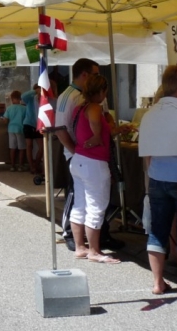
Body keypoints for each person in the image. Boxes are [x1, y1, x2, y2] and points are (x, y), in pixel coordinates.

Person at [56, 58, 124, 252]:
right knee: (81, 197)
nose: (99, 78)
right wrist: (76, 150)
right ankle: (71, 234)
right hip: (81, 155)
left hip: (87, 154)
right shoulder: (69, 96)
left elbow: (105, 117)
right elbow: (61, 129)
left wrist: (111, 128)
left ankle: (100, 235)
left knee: (92, 200)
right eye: (95, 74)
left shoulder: (91, 99)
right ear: (85, 75)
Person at [141, 65, 177, 295]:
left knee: (157, 230)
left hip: (156, 177)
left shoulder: (149, 114)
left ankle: (157, 282)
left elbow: (146, 156)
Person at [68, 74, 121, 264]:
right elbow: (95, 130)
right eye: (105, 91)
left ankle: (80, 247)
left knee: (80, 205)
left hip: (79, 160)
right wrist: (97, 137)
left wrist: (116, 130)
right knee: (96, 206)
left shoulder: (78, 107)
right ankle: (94, 251)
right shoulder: (94, 108)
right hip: (94, 163)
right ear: (101, 91)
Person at [21, 84, 43, 174]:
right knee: (29, 145)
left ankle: (36, 164)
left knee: (42, 147)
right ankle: (31, 166)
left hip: (39, 125)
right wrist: (34, 91)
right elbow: (22, 96)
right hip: (29, 124)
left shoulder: (43, 99)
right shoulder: (30, 98)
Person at [3, 90, 26, 171]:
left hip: (11, 129)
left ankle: (12, 165)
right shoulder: (24, 108)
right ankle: (20, 165)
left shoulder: (9, 108)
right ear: (20, 99)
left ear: (12, 99)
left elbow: (5, 120)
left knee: (12, 148)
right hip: (20, 129)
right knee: (21, 148)